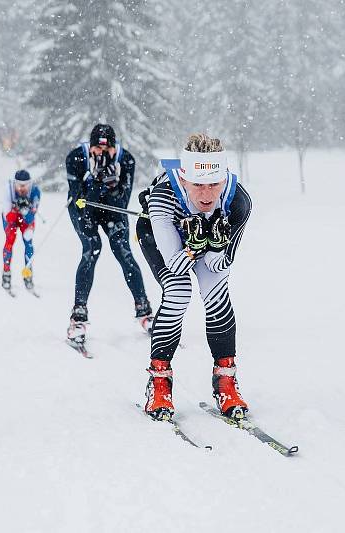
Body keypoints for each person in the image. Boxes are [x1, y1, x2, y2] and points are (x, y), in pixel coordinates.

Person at [136, 133, 252, 421]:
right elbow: (175, 265)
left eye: (214, 184)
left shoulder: (238, 201)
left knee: (216, 295)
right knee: (178, 292)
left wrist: (212, 245)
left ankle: (225, 380)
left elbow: (219, 263)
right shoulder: (164, 197)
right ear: (184, 179)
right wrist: (193, 246)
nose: (206, 195)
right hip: (157, 234)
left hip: (202, 244)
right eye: (198, 185)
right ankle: (159, 381)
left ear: (224, 178)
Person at [64, 124, 152, 348]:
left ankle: (144, 310)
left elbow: (122, 201)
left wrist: (110, 187)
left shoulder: (126, 160)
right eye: (97, 149)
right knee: (92, 250)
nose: (102, 154)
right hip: (84, 209)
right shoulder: (75, 158)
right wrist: (96, 183)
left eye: (108, 150)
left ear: (115, 148)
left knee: (124, 253)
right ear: (90, 146)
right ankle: (79, 314)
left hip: (112, 208)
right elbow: (81, 203)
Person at [1, 170, 40, 292]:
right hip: (11, 217)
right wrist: (16, 208)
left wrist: (25, 211)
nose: (22, 188)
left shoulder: (35, 191)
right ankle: (6, 273)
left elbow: (31, 216)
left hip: (25, 218)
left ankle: (27, 274)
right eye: (19, 184)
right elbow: (7, 216)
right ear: (14, 183)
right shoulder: (9, 190)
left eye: (25, 184)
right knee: (10, 240)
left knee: (28, 242)